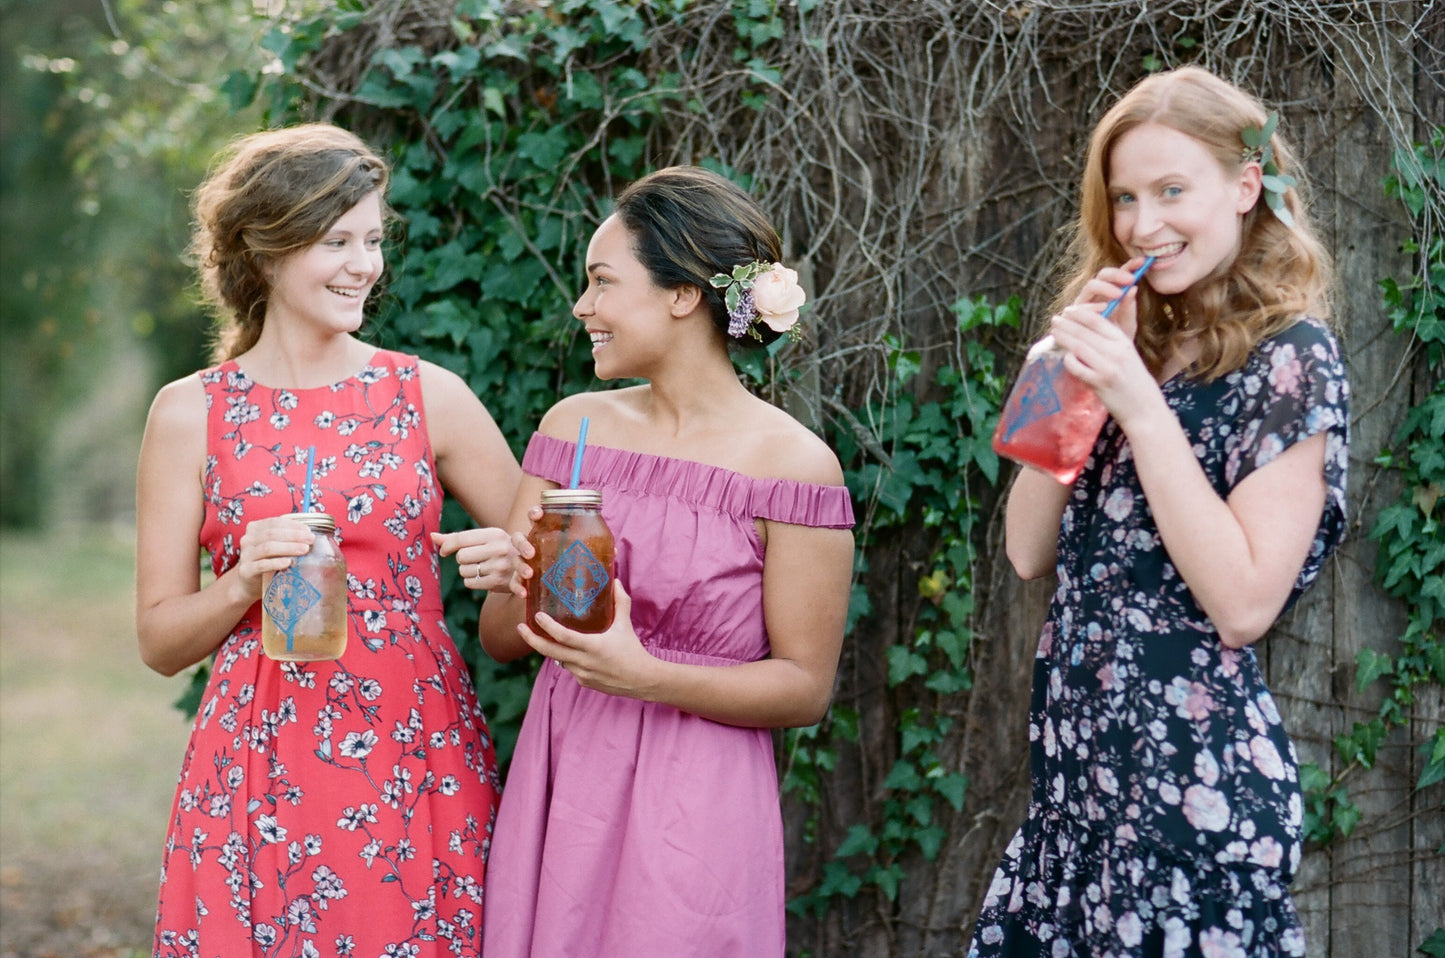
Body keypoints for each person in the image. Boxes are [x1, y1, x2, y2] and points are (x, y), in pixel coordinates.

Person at [968, 66, 1350, 957]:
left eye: (1172, 190)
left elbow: (1244, 602)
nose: (1143, 224)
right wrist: (1062, 383)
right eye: (1125, 198)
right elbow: (1027, 549)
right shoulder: (1125, 346)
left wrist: (1138, 407)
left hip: (1189, 806)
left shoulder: (1292, 359)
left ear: (1244, 185)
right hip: (1073, 801)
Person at [136, 123, 522, 957]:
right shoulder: (189, 412)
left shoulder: (431, 395)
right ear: (265, 251)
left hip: (413, 749)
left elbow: (546, 565)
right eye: (335, 240)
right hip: (255, 760)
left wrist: (509, 571)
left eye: (374, 239)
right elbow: (160, 643)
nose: (364, 264)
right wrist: (241, 582)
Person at [477, 166, 856, 956]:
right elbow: (504, 638)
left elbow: (803, 687)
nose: (582, 306)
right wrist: (513, 574)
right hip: (567, 772)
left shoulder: (792, 464)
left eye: (603, 282)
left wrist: (645, 675)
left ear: (682, 295)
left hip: (699, 799)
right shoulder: (573, 428)